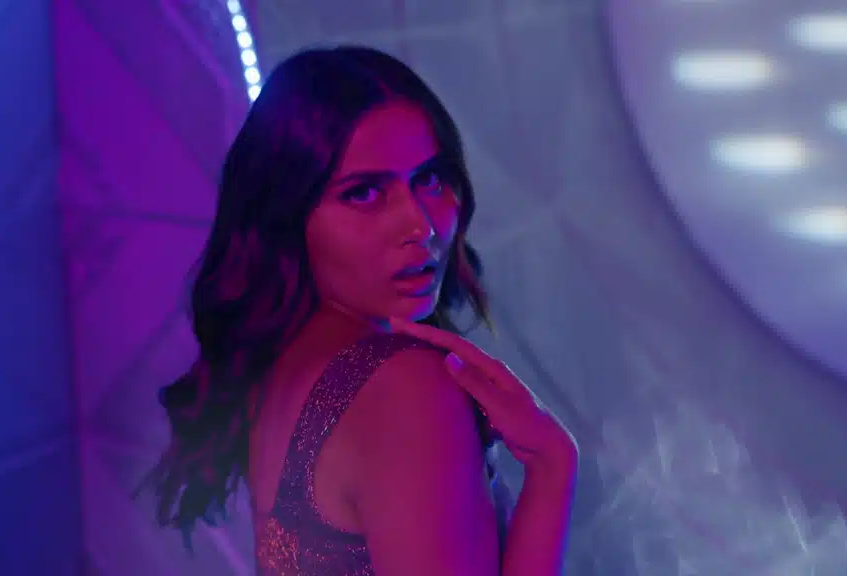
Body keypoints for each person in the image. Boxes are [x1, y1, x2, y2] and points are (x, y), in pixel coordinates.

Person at [146, 46, 578, 575]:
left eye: (430, 179)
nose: (420, 226)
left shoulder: (285, 363)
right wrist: (551, 470)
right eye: (366, 193)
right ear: (287, 214)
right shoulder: (404, 385)